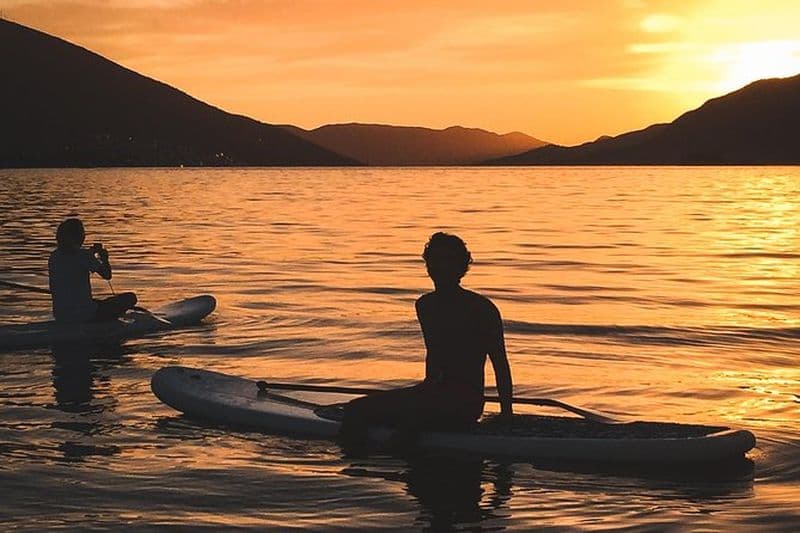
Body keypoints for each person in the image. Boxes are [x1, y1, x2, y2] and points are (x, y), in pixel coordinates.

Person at [340, 231, 513, 448]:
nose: (440, 267)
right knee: (355, 410)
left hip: (465, 400)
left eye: (448, 261)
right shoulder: (425, 305)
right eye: (435, 260)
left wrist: (507, 413)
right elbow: (434, 353)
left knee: (411, 422)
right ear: (428, 266)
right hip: (432, 393)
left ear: (461, 267)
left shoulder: (481, 308)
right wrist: (424, 393)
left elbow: (500, 362)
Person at [48, 217, 137, 323]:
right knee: (131, 298)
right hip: (86, 315)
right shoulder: (84, 256)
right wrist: (104, 259)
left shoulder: (53, 257)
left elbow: (73, 263)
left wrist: (90, 255)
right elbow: (107, 275)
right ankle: (107, 323)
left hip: (61, 315)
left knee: (94, 302)